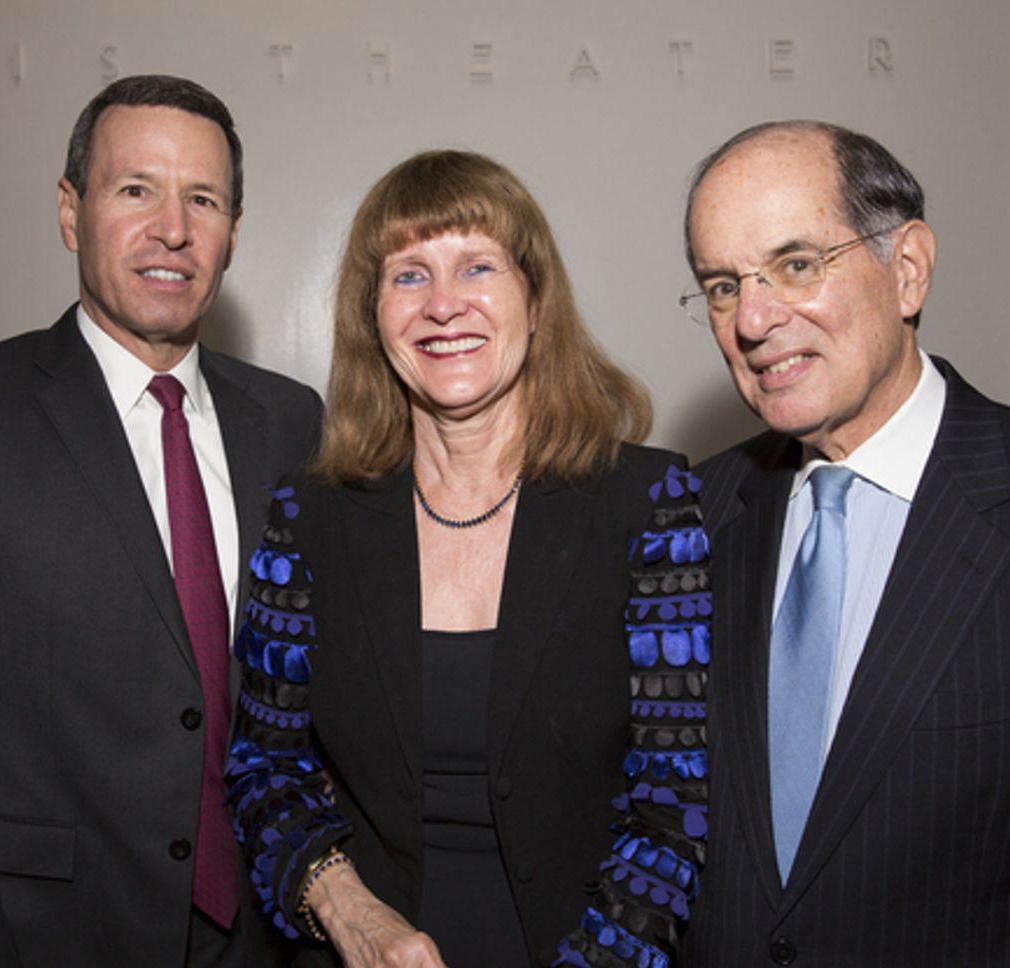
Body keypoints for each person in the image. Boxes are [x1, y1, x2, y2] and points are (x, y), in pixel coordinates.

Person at [679, 118, 1010, 965]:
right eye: (721, 286)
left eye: (796, 264)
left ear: (909, 268)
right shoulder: (687, 523)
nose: (754, 318)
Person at [0, 75, 321, 967]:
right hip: (47, 938)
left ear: (231, 234)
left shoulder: (291, 420)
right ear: (71, 211)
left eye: (204, 199)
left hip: (264, 935)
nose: (172, 228)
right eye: (135, 189)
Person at [224, 150, 709, 968]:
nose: (443, 306)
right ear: (371, 314)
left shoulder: (650, 507)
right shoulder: (308, 517)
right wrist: (350, 916)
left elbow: (675, 809)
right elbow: (264, 766)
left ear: (535, 297)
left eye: (477, 266)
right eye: (408, 276)